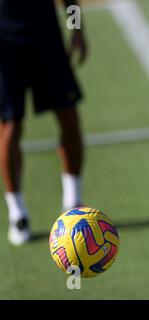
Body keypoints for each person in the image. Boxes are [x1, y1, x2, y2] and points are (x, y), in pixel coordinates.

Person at [0, 0, 87, 245]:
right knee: (11, 126)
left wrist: (78, 29)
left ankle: (73, 202)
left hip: (45, 35)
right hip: (4, 41)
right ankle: (17, 212)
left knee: (69, 117)